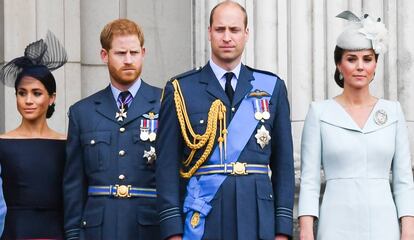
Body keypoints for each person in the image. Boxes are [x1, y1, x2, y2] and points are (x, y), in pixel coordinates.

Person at [156, 1, 295, 240]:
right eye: (220, 30)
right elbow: (166, 166)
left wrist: (282, 229)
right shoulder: (181, 90)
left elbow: (283, 165)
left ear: (246, 33)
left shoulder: (272, 87)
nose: (227, 37)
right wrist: (173, 231)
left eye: (234, 30)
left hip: (257, 218)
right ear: (209, 32)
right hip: (205, 220)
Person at [298, 11, 414, 240]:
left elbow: (403, 180)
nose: (360, 66)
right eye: (352, 59)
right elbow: (309, 181)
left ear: (375, 65)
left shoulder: (392, 112)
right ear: (339, 65)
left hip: (384, 225)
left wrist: (408, 230)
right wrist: (305, 231)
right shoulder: (319, 112)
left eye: (367, 59)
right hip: (335, 224)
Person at [63, 19, 162, 239]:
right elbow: (74, 184)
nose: (128, 60)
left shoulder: (166, 104)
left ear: (143, 53)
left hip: (149, 228)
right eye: (120, 53)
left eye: (134, 53)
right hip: (99, 229)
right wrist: (72, 234)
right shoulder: (83, 112)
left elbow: (176, 176)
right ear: (104, 55)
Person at [0, 31, 67, 239]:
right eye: (22, 93)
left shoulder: (68, 144)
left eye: (36, 93)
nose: (28, 100)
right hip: (14, 233)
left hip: (58, 233)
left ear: (51, 98)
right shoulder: (3, 143)